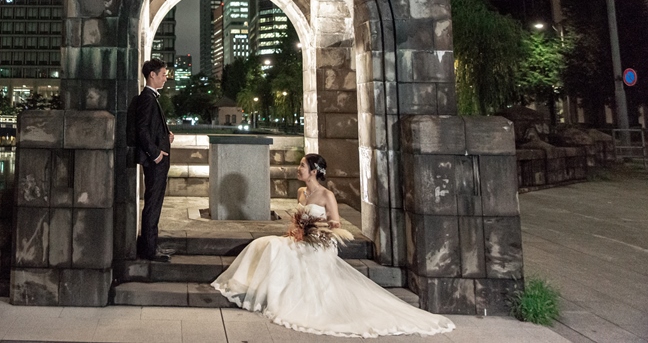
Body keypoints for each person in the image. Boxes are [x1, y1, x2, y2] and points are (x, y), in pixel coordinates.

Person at [211, 154, 455, 338]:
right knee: (263, 244)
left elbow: (335, 223)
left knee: (275, 249)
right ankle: (253, 287)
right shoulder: (300, 192)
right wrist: (298, 230)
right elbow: (298, 218)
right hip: (302, 240)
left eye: (302, 166)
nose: (298, 169)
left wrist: (314, 229)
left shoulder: (327, 195)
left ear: (314, 171)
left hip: (319, 244)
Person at [130, 58, 174, 262]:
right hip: (155, 162)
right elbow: (142, 129)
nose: (166, 78)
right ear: (152, 75)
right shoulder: (147, 98)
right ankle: (149, 250)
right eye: (163, 74)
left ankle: (150, 246)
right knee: (153, 204)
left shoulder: (150, 97)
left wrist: (166, 136)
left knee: (153, 203)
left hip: (157, 160)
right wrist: (155, 153)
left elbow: (151, 128)